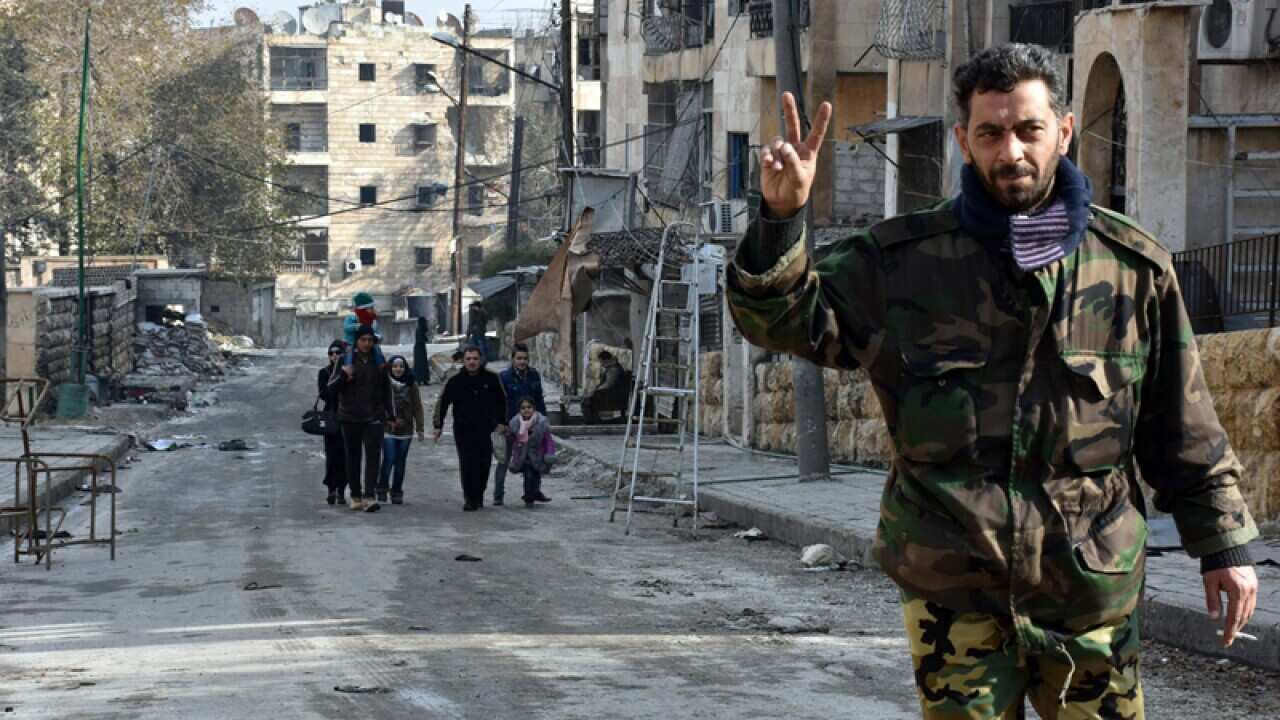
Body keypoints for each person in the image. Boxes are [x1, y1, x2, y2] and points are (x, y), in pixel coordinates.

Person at [726, 44, 1258, 718]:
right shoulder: (903, 262)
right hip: (954, 589)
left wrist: (1225, 546)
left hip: (1089, 591)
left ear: (1063, 130)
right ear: (963, 140)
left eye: (1029, 129)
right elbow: (783, 320)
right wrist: (780, 223)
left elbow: (1181, 423)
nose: (1012, 152)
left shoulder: (1132, 269)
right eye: (991, 133)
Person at [433, 345, 507, 511]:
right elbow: (442, 403)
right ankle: (469, 497)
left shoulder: (492, 378)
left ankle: (479, 494)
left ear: (480, 360)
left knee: (484, 463)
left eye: (475, 359)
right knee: (467, 463)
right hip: (463, 429)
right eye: (468, 359)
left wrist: (502, 422)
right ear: (463, 361)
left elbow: (501, 401)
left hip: (485, 429)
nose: (472, 362)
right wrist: (438, 425)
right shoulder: (455, 381)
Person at [329, 324, 392, 512]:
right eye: (363, 339)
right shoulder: (345, 361)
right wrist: (343, 376)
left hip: (373, 417)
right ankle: (355, 495)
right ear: (356, 341)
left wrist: (390, 414)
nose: (366, 343)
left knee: (373, 457)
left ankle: (370, 496)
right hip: (350, 417)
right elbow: (330, 388)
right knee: (353, 457)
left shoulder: (379, 362)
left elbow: (386, 390)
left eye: (370, 340)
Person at [493, 343, 547, 506]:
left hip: (531, 425)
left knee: (533, 459)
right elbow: (498, 402)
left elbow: (539, 399)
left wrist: (543, 420)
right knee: (504, 459)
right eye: (519, 358)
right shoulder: (504, 377)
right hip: (510, 425)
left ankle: (531, 493)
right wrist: (501, 423)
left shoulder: (534, 375)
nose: (522, 362)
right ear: (513, 359)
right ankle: (498, 495)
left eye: (525, 358)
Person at [380, 355, 425, 505]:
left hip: (406, 431)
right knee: (389, 459)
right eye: (395, 366)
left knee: (400, 462)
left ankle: (397, 491)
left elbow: (417, 407)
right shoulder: (384, 384)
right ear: (390, 368)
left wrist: (420, 428)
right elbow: (379, 405)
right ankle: (381, 488)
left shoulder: (411, 384)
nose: (398, 369)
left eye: (401, 366)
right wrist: (389, 419)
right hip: (388, 429)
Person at [507, 397, 552, 508]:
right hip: (522, 455)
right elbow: (510, 440)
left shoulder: (541, 423)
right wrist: (509, 453)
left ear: (534, 408)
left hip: (538, 455)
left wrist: (549, 453)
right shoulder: (515, 424)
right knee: (528, 475)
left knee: (536, 474)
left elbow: (548, 440)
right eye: (523, 408)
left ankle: (536, 492)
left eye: (529, 407)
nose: (526, 410)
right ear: (519, 410)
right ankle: (528, 496)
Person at [318, 340, 348, 505]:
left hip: (347, 417)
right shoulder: (324, 372)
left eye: (338, 352)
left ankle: (342, 491)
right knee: (331, 456)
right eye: (331, 353)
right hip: (330, 418)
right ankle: (331, 489)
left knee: (345, 456)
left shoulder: (349, 371)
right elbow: (325, 394)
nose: (334, 355)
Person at [581, 350, 627, 423]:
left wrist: (595, 391)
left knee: (586, 401)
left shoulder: (613, 369)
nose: (601, 364)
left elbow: (608, 384)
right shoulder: (611, 368)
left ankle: (590, 421)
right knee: (587, 398)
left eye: (601, 361)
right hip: (611, 396)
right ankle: (593, 420)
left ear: (606, 360)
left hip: (613, 398)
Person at [343, 292, 386, 367]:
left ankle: (381, 366)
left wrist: (378, 337)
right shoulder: (352, 316)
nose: (373, 310)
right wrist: (357, 326)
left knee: (377, 349)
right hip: (351, 342)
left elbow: (376, 332)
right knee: (349, 352)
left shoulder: (372, 320)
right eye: (371, 308)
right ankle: (348, 368)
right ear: (363, 308)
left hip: (368, 342)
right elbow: (346, 327)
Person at [413, 316, 432, 386]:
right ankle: (421, 380)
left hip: (420, 348)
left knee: (421, 364)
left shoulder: (419, 328)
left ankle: (422, 380)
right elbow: (421, 339)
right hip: (419, 348)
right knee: (421, 364)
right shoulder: (419, 329)